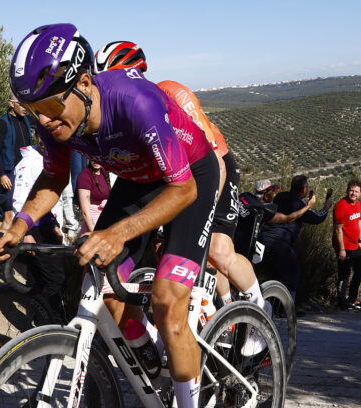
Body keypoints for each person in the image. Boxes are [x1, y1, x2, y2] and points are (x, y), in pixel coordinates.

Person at [0, 24, 218, 408]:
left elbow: (182, 189)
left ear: (84, 83)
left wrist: (119, 232)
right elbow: (52, 179)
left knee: (168, 301)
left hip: (189, 178)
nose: (44, 121)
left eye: (50, 107)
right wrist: (18, 226)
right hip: (139, 180)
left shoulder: (136, 103)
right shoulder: (60, 120)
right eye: (34, 111)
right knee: (102, 285)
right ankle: (154, 362)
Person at [94, 41, 270, 355]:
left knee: (217, 250)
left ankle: (259, 311)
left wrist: (203, 219)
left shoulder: (172, 92)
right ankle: (211, 321)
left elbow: (212, 159)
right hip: (167, 178)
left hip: (214, 165)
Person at [0, 144, 68, 320]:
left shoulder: (46, 159)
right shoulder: (27, 163)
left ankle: (39, 319)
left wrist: (54, 224)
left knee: (37, 276)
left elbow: (45, 198)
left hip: (46, 224)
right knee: (55, 277)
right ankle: (57, 321)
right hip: (34, 228)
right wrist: (26, 233)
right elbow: (19, 200)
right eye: (44, 137)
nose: (47, 142)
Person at [258, 174, 334, 301]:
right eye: (308, 186)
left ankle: (269, 301)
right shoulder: (299, 204)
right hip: (280, 243)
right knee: (292, 274)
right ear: (304, 189)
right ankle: (288, 305)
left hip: (264, 238)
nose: (309, 188)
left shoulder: (280, 196)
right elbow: (317, 218)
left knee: (273, 273)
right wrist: (326, 206)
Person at [234, 179, 313, 262]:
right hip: (242, 245)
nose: (275, 195)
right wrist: (308, 206)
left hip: (231, 234)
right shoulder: (262, 211)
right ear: (266, 196)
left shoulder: (245, 195)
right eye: (273, 192)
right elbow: (288, 218)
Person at [332, 179, 361, 310]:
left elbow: (359, 222)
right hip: (344, 246)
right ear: (347, 191)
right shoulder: (341, 206)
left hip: (354, 245)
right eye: (351, 191)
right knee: (344, 274)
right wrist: (341, 249)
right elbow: (337, 229)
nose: (353, 194)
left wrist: (360, 240)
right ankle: (341, 302)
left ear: (360, 193)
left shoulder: (357, 204)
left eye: (356, 191)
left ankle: (352, 298)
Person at [0, 95, 32, 192]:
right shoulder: (2, 123)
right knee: (11, 201)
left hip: (27, 170)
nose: (25, 107)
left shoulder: (27, 120)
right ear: (11, 104)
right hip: (10, 173)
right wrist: (2, 175)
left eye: (26, 104)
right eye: (21, 104)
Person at [76, 160, 111, 233]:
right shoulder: (84, 176)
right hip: (93, 219)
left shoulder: (104, 172)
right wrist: (94, 233)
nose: (95, 161)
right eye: (93, 158)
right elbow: (85, 212)